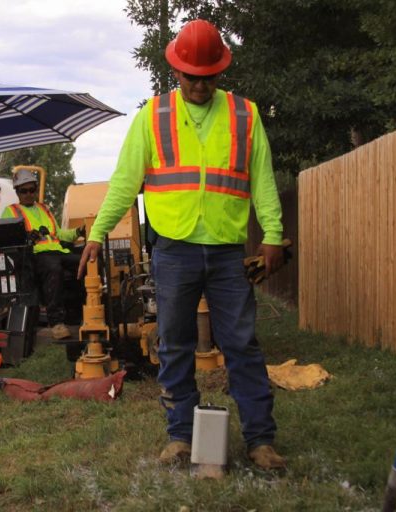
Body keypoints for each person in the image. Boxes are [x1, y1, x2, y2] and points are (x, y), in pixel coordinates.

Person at [77, 19, 286, 470]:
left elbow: (263, 182)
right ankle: (180, 437)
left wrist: (272, 235)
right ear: (176, 71)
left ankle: (260, 441)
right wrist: (98, 233)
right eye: (191, 76)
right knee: (174, 344)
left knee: (242, 345)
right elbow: (124, 183)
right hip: (173, 250)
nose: (198, 84)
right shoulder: (152, 117)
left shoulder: (245, 115)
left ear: (219, 72)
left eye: (207, 76)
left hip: (228, 252)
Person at [2, 168, 84, 340]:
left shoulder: (44, 209)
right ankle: (57, 323)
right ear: (17, 192)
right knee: (54, 268)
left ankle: (80, 314)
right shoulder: (10, 211)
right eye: (24, 191)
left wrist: (79, 231)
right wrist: (26, 237)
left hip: (58, 251)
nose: (28, 194)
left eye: (32, 190)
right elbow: (7, 239)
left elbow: (60, 234)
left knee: (87, 262)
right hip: (35, 255)